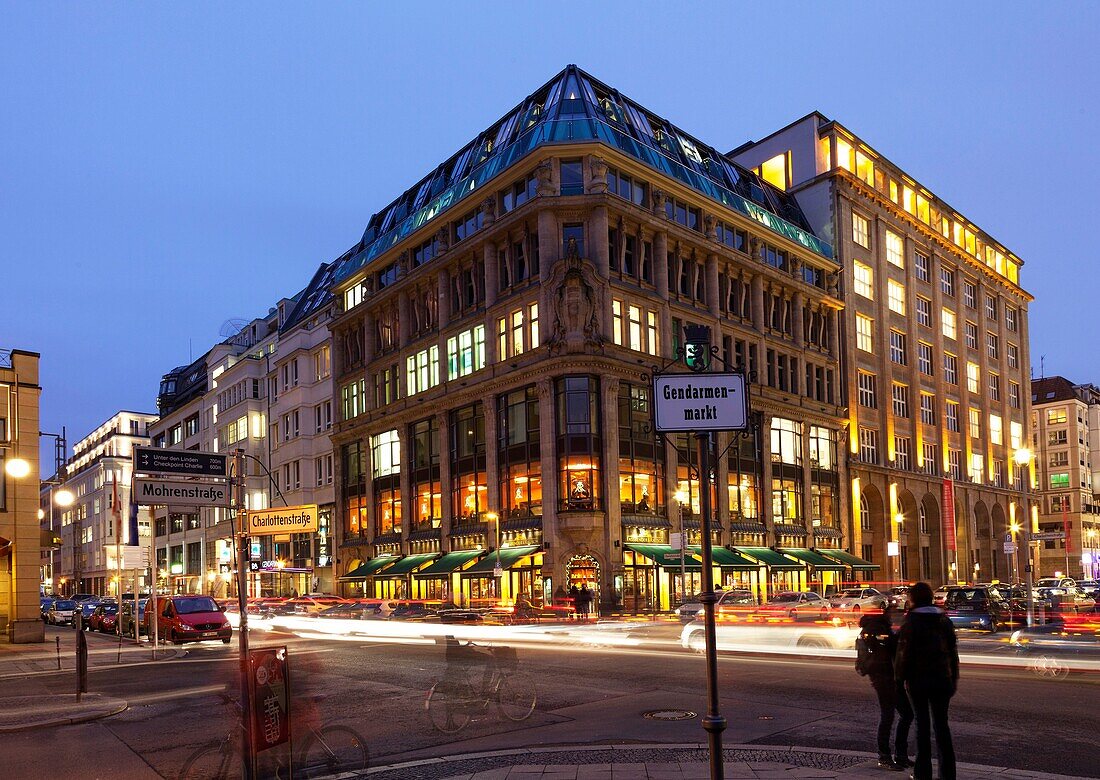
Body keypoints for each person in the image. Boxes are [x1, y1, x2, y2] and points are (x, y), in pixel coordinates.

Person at [895, 582, 959, 780]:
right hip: (942, 679)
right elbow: (953, 653)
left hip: (918, 681)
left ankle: (922, 773)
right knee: (942, 727)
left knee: (922, 727)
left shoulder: (911, 622)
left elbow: (903, 655)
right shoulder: (944, 621)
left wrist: (899, 680)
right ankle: (948, 774)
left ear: (913, 599)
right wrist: (953, 679)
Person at [856, 606, 913, 770]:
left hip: (888, 678)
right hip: (885, 678)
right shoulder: (875, 629)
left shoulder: (878, 628)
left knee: (903, 714)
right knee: (891, 715)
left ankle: (897, 756)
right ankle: (887, 756)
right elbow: (886, 645)